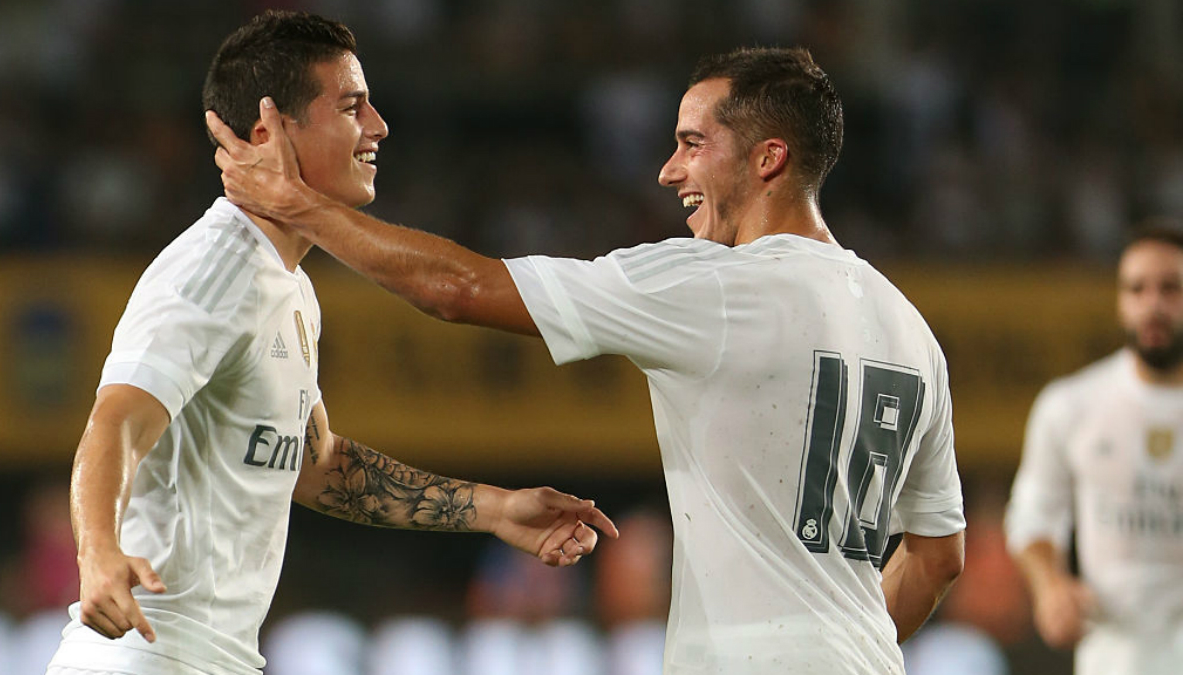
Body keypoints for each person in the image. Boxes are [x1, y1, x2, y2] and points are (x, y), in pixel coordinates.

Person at [207, 45, 966, 674]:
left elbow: (457, 289)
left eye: (693, 144)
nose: (670, 170)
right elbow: (937, 558)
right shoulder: (911, 329)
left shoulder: (718, 286)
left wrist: (301, 204)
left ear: (769, 159)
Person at [45, 11, 617, 675]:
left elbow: (316, 464)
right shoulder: (210, 272)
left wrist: (497, 508)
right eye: (351, 106)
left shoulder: (287, 284)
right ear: (269, 129)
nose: (377, 126)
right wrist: (99, 555)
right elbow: (114, 422)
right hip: (142, 656)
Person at [1005, 227, 1183, 675]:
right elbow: (1033, 516)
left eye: (1171, 288)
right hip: (1112, 656)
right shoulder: (1071, 405)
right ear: (1121, 300)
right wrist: (1050, 586)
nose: (1153, 305)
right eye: (1137, 289)